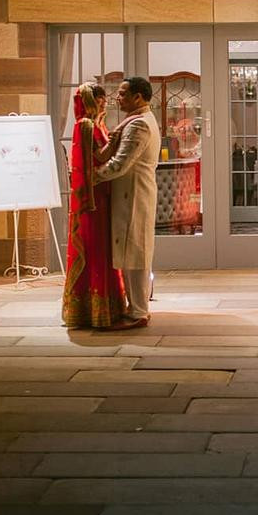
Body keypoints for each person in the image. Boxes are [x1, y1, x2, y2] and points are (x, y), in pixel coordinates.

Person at [95, 76, 161, 330]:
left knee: (136, 254)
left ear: (138, 97)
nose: (117, 98)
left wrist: (93, 176)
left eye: (123, 94)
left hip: (134, 194)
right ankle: (136, 307)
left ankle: (139, 312)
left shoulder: (139, 125)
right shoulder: (138, 120)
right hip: (131, 192)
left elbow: (122, 163)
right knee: (134, 252)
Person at [61, 83, 129, 328]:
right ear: (92, 100)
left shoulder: (93, 123)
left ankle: (104, 306)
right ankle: (96, 310)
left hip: (100, 193)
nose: (105, 103)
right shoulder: (87, 125)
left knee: (102, 247)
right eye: (100, 99)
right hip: (94, 197)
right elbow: (100, 156)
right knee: (96, 249)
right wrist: (119, 137)